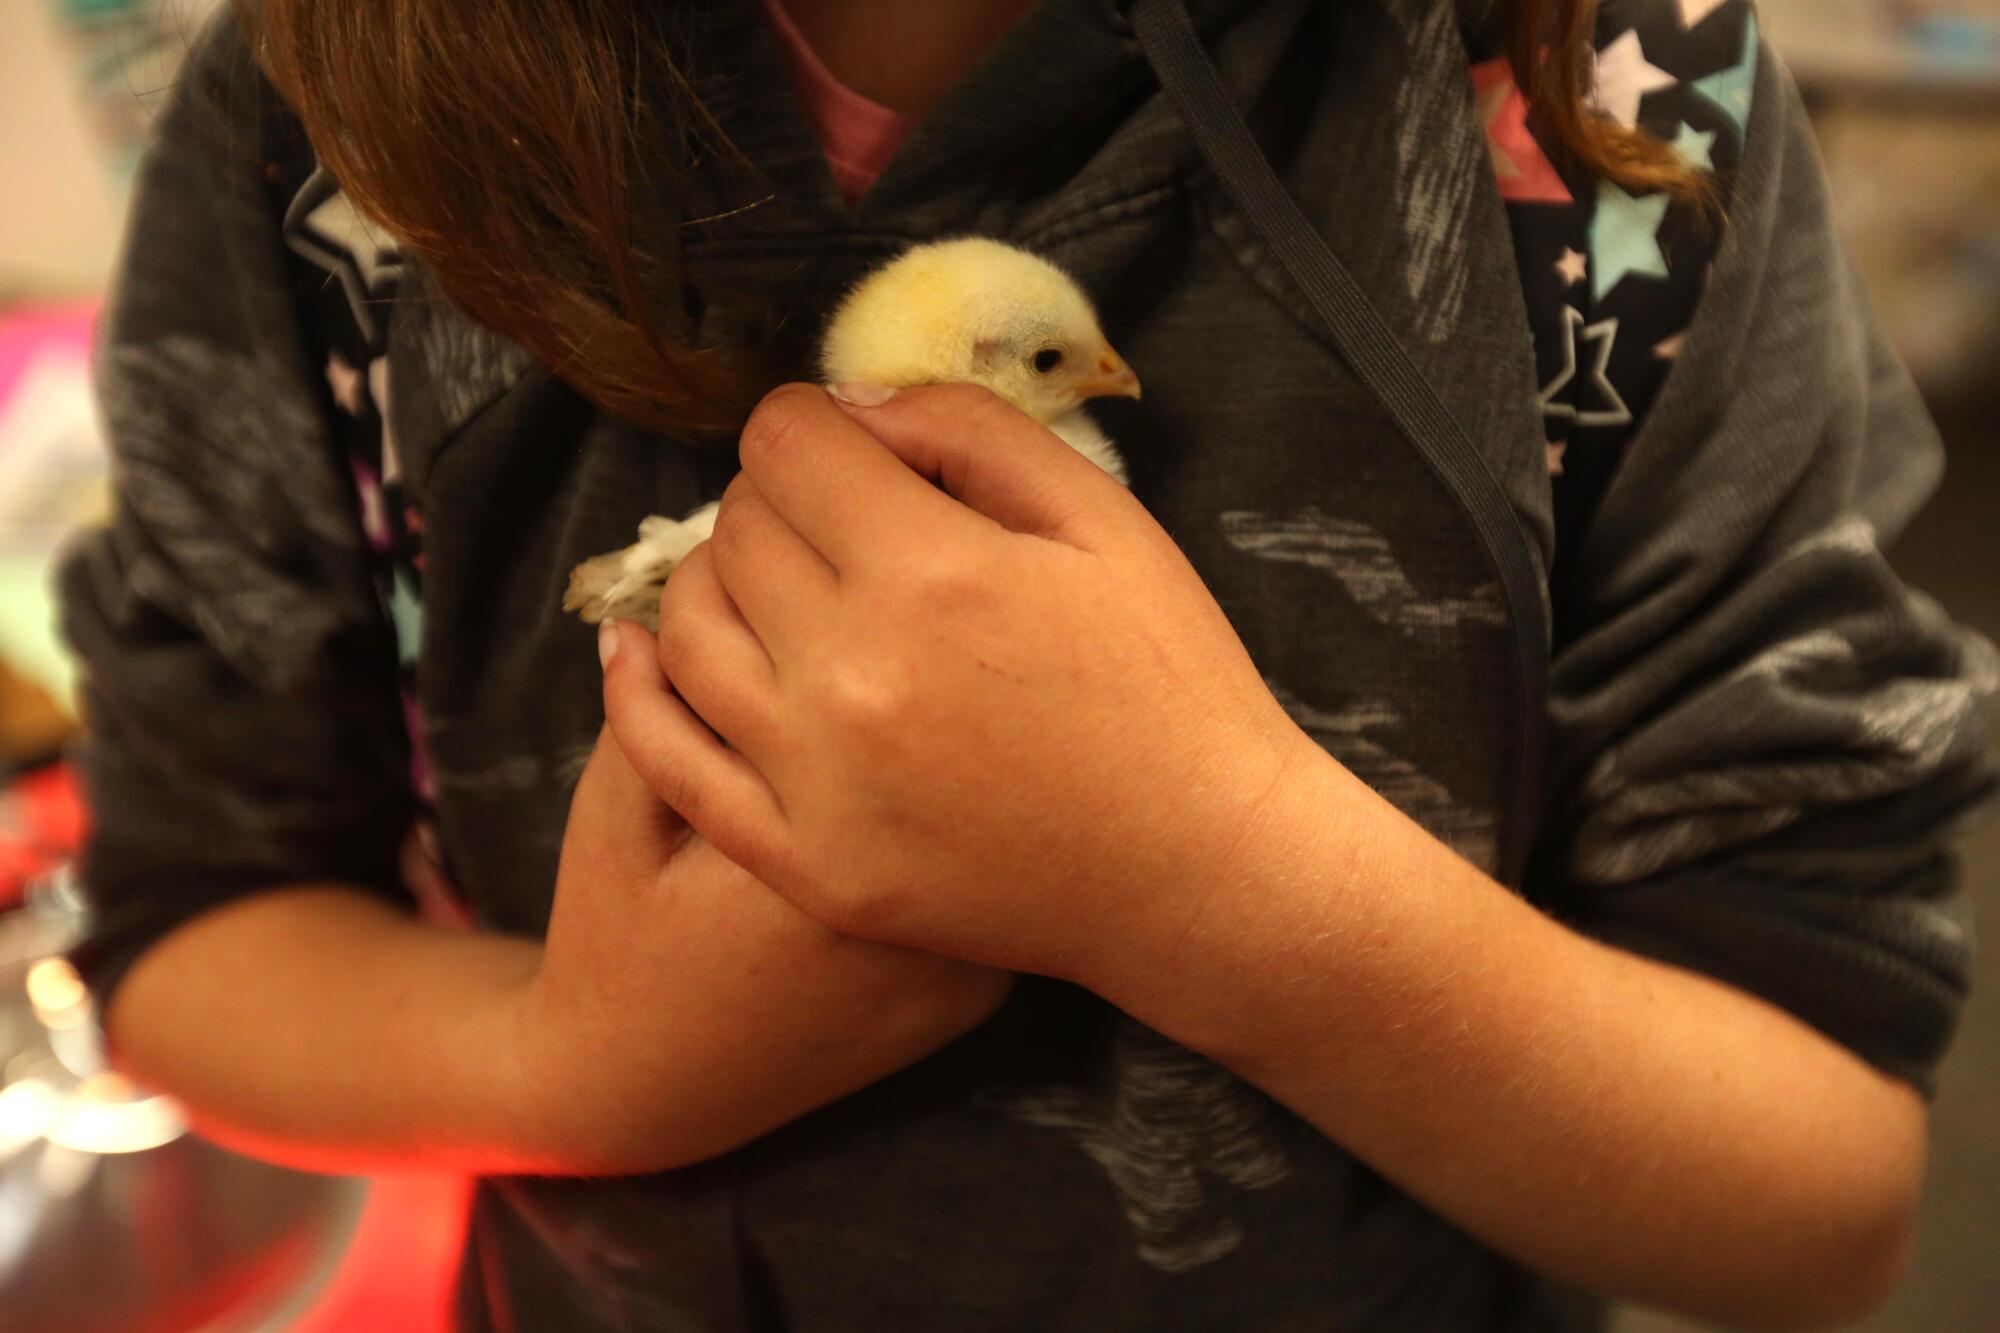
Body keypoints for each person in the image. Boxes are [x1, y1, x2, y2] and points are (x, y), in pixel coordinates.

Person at [58, 0, 1995, 1328]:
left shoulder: (1607, 112)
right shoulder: (312, 140)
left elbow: (1820, 1183)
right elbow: (194, 943)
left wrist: (1211, 881)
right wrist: (581, 1068)